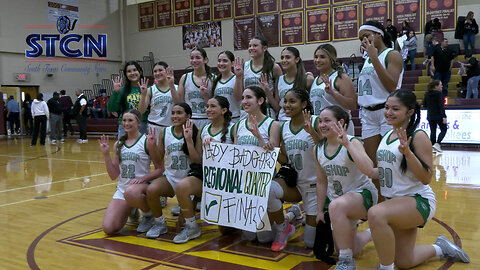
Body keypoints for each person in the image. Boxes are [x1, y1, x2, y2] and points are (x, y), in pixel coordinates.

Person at [367, 89, 469, 270]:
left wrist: (408, 154)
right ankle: (441, 248)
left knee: (376, 213)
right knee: (405, 261)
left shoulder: (418, 136)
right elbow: (379, 172)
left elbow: (426, 178)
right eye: (387, 107)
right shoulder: (387, 136)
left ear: (410, 112)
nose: (388, 112)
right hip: (397, 204)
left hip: (418, 201)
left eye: (395, 109)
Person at [314, 105, 378, 269]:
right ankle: (374, 232)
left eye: (327, 121)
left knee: (336, 206)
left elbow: (369, 168)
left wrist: (348, 145)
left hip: (362, 195)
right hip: (339, 204)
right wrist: (320, 210)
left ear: (341, 122)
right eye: (320, 121)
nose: (322, 125)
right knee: (352, 248)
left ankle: (346, 263)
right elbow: (321, 182)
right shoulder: (318, 149)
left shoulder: (353, 141)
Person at [173, 96, 235, 244]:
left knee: (226, 230)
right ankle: (191, 226)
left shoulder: (234, 128)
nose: (208, 109)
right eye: (207, 106)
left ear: (224, 110)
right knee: (182, 187)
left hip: (227, 181)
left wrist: (218, 147)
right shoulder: (203, 129)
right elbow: (197, 160)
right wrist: (188, 141)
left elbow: (237, 159)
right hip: (207, 177)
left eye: (213, 106)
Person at [267, 88, 321, 252]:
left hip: (315, 188)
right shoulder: (284, 128)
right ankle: (284, 227)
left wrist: (313, 133)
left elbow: (327, 152)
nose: (286, 105)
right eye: (285, 101)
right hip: (295, 184)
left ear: (304, 103)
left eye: (292, 101)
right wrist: (274, 152)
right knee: (268, 189)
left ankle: (293, 214)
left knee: (311, 243)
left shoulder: (317, 121)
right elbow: (285, 159)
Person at [358, 20, 404, 201]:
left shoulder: (391, 55)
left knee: (390, 163)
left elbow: (391, 85)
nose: (364, 40)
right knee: (374, 165)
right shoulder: (368, 58)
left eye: (367, 36)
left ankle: (396, 203)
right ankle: (381, 204)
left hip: (387, 113)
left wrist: (374, 57)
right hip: (368, 114)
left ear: (379, 35)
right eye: (361, 38)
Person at [98, 109, 163, 235]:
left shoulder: (147, 141)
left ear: (139, 123)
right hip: (123, 190)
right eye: (124, 120)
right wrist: (106, 154)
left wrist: (143, 179)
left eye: (130, 120)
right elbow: (113, 175)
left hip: (141, 188)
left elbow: (160, 169)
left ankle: (148, 216)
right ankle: (132, 209)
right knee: (108, 228)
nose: (126, 123)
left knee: (132, 191)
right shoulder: (119, 144)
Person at [144, 103, 201, 239]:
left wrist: (188, 141)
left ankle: (192, 226)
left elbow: (197, 160)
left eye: (179, 113)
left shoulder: (196, 132)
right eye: (173, 113)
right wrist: (152, 146)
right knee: (151, 190)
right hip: (170, 178)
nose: (175, 116)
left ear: (188, 116)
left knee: (181, 224)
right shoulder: (165, 132)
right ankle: (159, 223)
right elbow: (158, 158)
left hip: (189, 179)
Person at [232, 85, 281, 242]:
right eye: (243, 98)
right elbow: (233, 154)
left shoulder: (273, 124)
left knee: (264, 239)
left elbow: (271, 152)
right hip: (244, 181)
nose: (244, 101)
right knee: (249, 237)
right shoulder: (238, 126)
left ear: (260, 100)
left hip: (263, 179)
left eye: (249, 97)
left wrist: (259, 137)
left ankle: (287, 219)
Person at [310, 44, 357, 135]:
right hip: (322, 127)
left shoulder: (341, 77)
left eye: (322, 57)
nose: (318, 60)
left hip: (340, 127)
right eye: (316, 57)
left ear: (331, 59)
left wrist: (333, 93)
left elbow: (352, 105)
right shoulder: (315, 80)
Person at [235, 35, 283, 120]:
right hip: (247, 111)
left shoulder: (274, 68)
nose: (251, 48)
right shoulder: (244, 66)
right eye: (249, 46)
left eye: (255, 45)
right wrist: (238, 77)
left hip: (265, 110)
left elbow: (278, 100)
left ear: (264, 48)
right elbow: (238, 97)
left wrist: (267, 91)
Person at [174, 48, 214, 129]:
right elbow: (179, 102)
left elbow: (216, 104)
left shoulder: (213, 78)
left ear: (205, 60)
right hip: (190, 120)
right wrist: (171, 85)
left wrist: (205, 95)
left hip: (209, 119)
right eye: (192, 58)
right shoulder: (185, 78)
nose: (194, 60)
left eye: (198, 57)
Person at [108, 61, 148, 138]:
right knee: (124, 149)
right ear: (126, 75)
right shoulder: (122, 90)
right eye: (129, 71)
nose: (132, 73)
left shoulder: (147, 89)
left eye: (135, 70)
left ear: (140, 71)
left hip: (143, 124)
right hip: (126, 125)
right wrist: (115, 92)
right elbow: (111, 108)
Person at [138, 61, 176, 140]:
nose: (157, 73)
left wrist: (171, 85)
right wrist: (143, 94)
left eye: (160, 70)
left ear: (167, 71)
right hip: (154, 126)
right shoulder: (150, 90)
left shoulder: (176, 88)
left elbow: (179, 104)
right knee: (154, 152)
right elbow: (141, 111)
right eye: (155, 71)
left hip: (171, 127)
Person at [276, 47, 314, 122]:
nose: (284, 60)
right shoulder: (279, 79)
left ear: (297, 59)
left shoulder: (308, 79)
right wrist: (266, 90)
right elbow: (277, 105)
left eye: (288, 57)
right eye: (282, 57)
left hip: (301, 122)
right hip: (282, 121)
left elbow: (312, 103)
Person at [212, 51, 242, 123]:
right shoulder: (216, 81)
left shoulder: (237, 78)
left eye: (225, 61)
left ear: (232, 63)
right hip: (220, 120)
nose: (221, 63)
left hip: (235, 118)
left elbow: (238, 98)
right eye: (219, 61)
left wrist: (238, 77)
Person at [422, 80, 447, 153]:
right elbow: (441, 106)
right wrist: (444, 116)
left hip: (430, 116)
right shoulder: (439, 94)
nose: (442, 86)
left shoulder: (427, 94)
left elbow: (424, 105)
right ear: (436, 86)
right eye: (440, 85)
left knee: (433, 131)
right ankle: (438, 144)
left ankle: (432, 146)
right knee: (444, 129)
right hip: (439, 115)